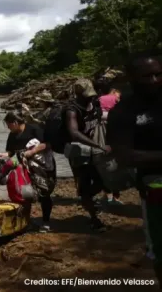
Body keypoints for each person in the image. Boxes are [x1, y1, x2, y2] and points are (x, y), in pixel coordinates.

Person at [107, 50, 162, 280]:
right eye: (146, 76)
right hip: (155, 188)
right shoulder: (124, 112)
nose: (154, 81)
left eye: (158, 74)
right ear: (131, 78)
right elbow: (126, 156)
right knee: (160, 251)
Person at [0, 111, 56, 233]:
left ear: (15, 122)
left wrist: (32, 152)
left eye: (9, 125)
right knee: (25, 193)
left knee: (44, 193)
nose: (8, 128)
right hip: (24, 168)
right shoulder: (12, 135)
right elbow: (10, 152)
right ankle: (27, 220)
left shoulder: (34, 129)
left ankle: (46, 222)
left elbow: (47, 144)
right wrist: (3, 155)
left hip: (42, 166)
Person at [64, 79, 111, 232]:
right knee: (85, 183)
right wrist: (96, 144)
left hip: (95, 149)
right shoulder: (72, 109)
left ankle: (86, 198)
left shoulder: (94, 104)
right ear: (79, 94)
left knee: (103, 181)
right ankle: (94, 219)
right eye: (87, 96)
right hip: (80, 153)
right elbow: (74, 133)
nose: (90, 97)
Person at [98, 88, 123, 204]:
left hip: (101, 129)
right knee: (115, 166)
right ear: (113, 92)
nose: (118, 97)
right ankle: (116, 196)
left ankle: (108, 195)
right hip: (114, 128)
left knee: (103, 165)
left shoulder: (100, 99)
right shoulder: (116, 100)